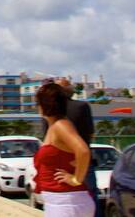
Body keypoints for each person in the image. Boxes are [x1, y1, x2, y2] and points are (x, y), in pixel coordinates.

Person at [33, 83, 93, 216]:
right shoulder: (54, 127)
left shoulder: (61, 125)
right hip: (60, 202)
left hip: (67, 202)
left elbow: (83, 151)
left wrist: (75, 179)